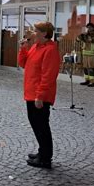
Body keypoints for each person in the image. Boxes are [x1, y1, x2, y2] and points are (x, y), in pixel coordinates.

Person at [18, 21, 60, 169]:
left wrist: (40, 95)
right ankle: (42, 152)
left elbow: (48, 76)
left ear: (44, 34)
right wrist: (23, 49)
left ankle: (45, 158)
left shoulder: (50, 50)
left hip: (39, 95)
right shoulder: (36, 47)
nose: (33, 33)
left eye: (36, 31)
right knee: (36, 124)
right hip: (31, 93)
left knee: (41, 125)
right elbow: (24, 63)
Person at [76, 23, 94, 87]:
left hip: (92, 54)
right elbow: (77, 40)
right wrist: (80, 36)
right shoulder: (85, 35)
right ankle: (87, 80)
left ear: (93, 28)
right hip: (85, 53)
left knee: (91, 68)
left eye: (90, 27)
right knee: (85, 68)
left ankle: (93, 82)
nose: (89, 29)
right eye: (88, 27)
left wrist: (93, 40)